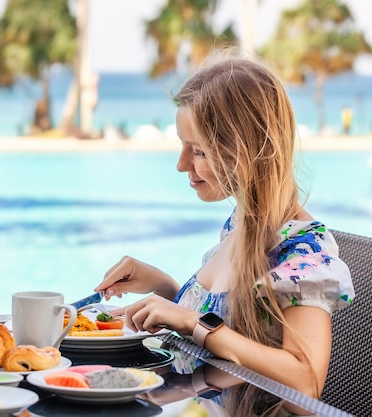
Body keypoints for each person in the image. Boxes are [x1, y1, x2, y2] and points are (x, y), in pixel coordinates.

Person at [94, 50, 355, 416]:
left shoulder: (301, 251)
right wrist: (162, 286)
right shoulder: (240, 223)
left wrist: (190, 321)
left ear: (245, 151)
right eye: (184, 146)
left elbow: (305, 384)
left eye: (199, 151)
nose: (182, 164)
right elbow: (231, 324)